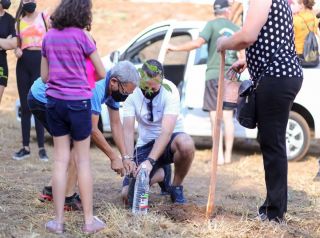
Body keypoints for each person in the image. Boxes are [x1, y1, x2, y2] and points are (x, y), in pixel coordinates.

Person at [216, 0, 303, 222]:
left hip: (276, 77)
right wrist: (248, 60)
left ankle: (274, 213)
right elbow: (271, 39)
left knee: (273, 144)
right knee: (271, 142)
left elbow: (248, 35)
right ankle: (274, 207)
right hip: (280, 74)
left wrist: (224, 43)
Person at [28, 61, 139, 210]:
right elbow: (92, 129)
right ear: (114, 81)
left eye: (129, 94)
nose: (125, 96)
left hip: (55, 98)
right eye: (125, 92)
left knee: (75, 145)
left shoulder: (113, 88)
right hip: (41, 98)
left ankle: (50, 190)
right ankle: (68, 198)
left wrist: (125, 157)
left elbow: (116, 124)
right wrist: (113, 157)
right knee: (78, 144)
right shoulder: (96, 88)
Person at [40, 0, 106, 234]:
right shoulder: (83, 37)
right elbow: (101, 72)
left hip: (54, 103)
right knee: (83, 161)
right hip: (78, 103)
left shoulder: (48, 37)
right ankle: (89, 223)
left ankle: (57, 222)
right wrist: (81, 81)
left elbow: (45, 77)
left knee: (60, 161)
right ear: (83, 12)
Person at [167, 0, 241, 165]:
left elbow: (197, 43)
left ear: (215, 11)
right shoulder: (236, 29)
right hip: (232, 76)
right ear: (227, 11)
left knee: (216, 118)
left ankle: (219, 157)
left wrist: (176, 48)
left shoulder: (211, 25)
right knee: (228, 117)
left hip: (214, 75)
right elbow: (242, 56)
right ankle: (228, 156)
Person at [122, 59, 195, 205]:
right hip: (145, 143)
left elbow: (166, 132)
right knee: (127, 196)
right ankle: (162, 173)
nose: (149, 92)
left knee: (186, 144)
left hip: (170, 140)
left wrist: (149, 162)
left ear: (161, 81)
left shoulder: (171, 90)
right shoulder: (132, 91)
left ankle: (176, 187)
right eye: (145, 88)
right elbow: (128, 131)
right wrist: (129, 158)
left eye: (154, 89)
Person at [13, 0, 49, 161]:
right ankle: (25, 147)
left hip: (41, 62)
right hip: (23, 63)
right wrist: (16, 50)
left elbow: (52, 37)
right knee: (25, 104)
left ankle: (42, 148)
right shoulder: (18, 21)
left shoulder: (44, 17)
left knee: (39, 103)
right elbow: (16, 44)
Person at [0, 0, 17, 104]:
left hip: (1, 63)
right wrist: (4, 41)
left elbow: (13, 43)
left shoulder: (10, 20)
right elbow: (8, 42)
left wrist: (8, 43)